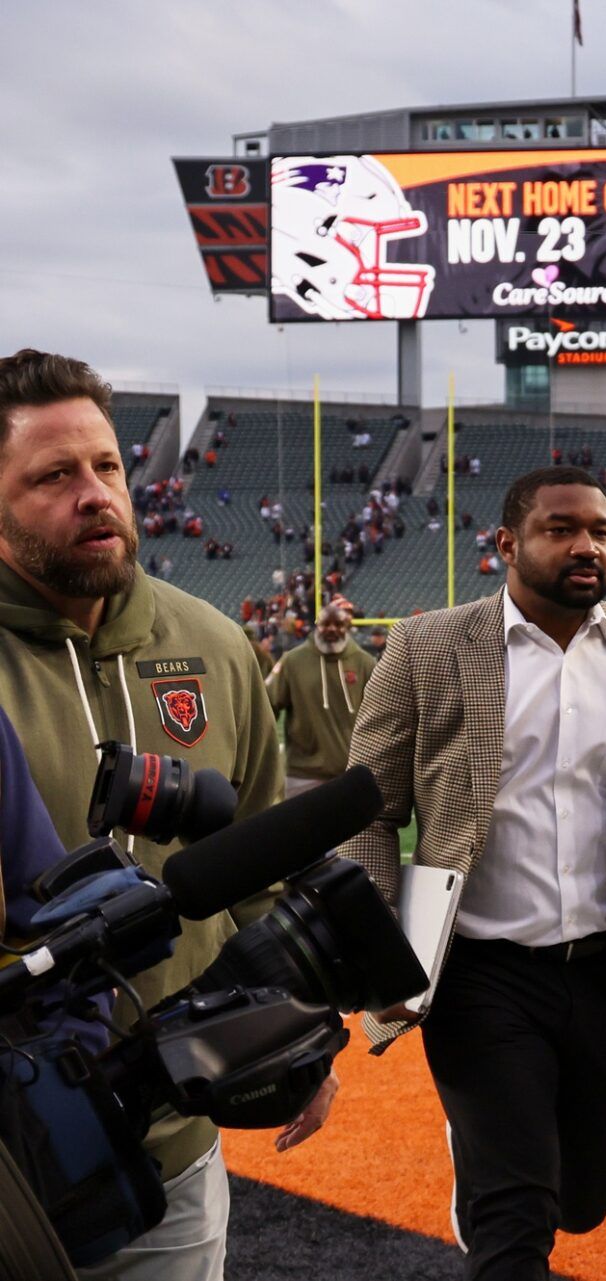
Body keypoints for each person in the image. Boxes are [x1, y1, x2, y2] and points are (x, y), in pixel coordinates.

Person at [343, 465, 606, 1280]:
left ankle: (488, 1163)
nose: (586, 544)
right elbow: (367, 809)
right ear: (506, 544)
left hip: (604, 966)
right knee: (516, 1218)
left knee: (584, 1195)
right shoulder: (429, 645)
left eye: (599, 530)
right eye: (561, 528)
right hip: (478, 969)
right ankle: (490, 1172)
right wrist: (379, 942)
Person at [0, 348, 294, 1279]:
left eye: (108, 466)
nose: (95, 493)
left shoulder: (211, 641)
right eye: (54, 475)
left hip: (171, 1144)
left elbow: (259, 862)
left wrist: (295, 1030)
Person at [263, 603, 377, 799]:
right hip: (303, 773)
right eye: (325, 624)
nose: (332, 629)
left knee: (353, 830)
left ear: (347, 626)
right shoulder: (293, 661)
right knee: (301, 829)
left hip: (353, 771)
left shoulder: (364, 662)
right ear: (317, 625)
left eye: (338, 624)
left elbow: (381, 713)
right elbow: (266, 705)